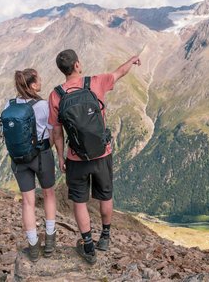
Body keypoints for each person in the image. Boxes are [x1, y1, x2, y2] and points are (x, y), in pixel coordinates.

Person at [48, 49, 141, 264]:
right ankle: (105, 237)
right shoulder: (96, 82)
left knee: (79, 202)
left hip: (76, 158)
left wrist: (60, 157)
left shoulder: (56, 95)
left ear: (62, 70)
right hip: (102, 154)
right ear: (77, 65)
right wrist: (131, 60)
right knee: (105, 196)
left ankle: (88, 246)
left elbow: (57, 131)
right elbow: (120, 73)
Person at [5, 69, 57, 262]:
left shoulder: (9, 105)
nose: (41, 81)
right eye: (39, 79)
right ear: (33, 85)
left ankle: (33, 247)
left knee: (28, 202)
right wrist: (47, 149)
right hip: (41, 155)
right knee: (48, 194)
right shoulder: (43, 105)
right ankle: (50, 242)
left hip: (18, 159)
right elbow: (52, 134)